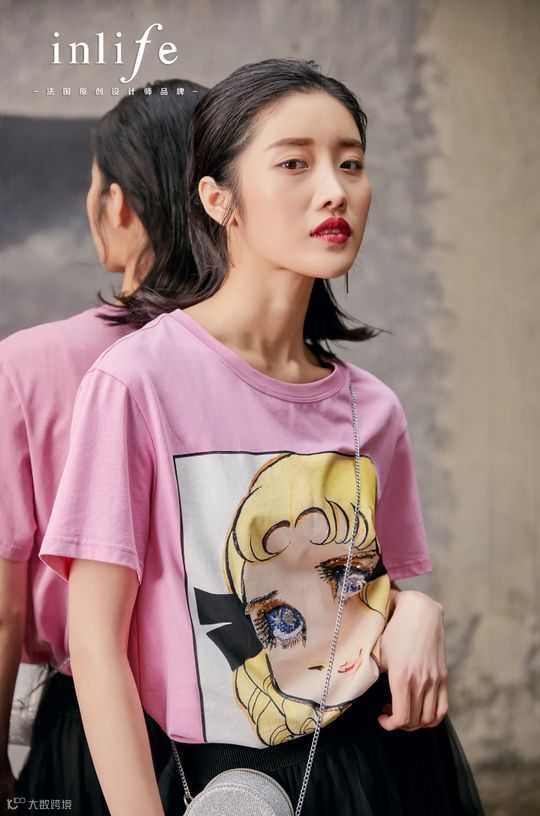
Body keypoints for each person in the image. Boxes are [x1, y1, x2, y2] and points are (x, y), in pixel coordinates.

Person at [41, 59, 484, 815]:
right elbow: (96, 642)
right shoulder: (137, 383)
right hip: (200, 775)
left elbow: (360, 592)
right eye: (294, 163)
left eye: (351, 163)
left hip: (373, 768)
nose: (334, 190)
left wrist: (415, 610)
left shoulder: (372, 407)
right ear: (219, 199)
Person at [0, 77, 207, 816]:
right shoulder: (255, 361)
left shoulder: (26, 365)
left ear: (117, 204)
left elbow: (4, 611)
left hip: (88, 730)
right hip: (247, 714)